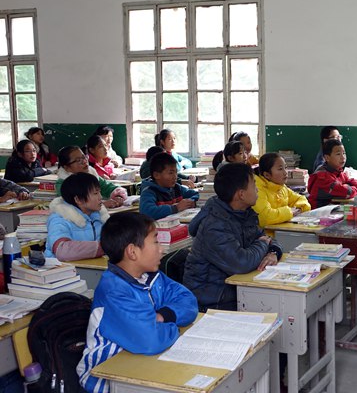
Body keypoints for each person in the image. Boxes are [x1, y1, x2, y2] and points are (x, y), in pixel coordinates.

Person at [77, 212, 198, 393]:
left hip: (145, 364)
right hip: (105, 380)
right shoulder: (114, 292)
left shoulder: (151, 277)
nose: (161, 249)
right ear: (132, 252)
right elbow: (151, 340)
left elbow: (189, 302)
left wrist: (163, 316)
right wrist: (175, 327)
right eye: (155, 242)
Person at [183, 162, 283, 312]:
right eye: (253, 184)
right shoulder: (214, 226)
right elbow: (241, 262)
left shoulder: (244, 213)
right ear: (241, 194)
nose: (257, 189)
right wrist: (263, 244)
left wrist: (273, 252)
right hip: (212, 301)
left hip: (234, 292)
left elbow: (266, 238)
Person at [44, 172, 108, 262]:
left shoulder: (99, 216)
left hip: (91, 266)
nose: (100, 197)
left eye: (99, 192)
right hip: (62, 269)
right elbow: (62, 250)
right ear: (78, 199)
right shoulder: (59, 219)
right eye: (95, 193)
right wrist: (105, 247)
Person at [55, 146, 127, 209]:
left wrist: (118, 196)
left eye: (84, 157)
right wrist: (102, 205)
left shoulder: (91, 174)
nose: (84, 161)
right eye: (78, 160)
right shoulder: (63, 184)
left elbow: (106, 187)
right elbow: (75, 205)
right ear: (66, 167)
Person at [252, 152, 311, 227]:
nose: (285, 172)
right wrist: (290, 212)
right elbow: (265, 217)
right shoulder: (257, 190)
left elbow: (301, 199)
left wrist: (298, 209)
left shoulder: (281, 187)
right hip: (265, 233)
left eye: (285, 167)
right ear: (267, 175)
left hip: (282, 230)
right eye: (280, 169)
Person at [308, 139, 357, 208]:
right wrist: (349, 185)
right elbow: (349, 192)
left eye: (344, 153)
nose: (343, 157)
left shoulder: (338, 171)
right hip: (318, 212)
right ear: (327, 158)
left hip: (331, 209)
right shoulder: (323, 177)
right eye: (338, 154)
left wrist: (349, 184)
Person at [139, 152, 199, 220]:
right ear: (156, 175)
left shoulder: (177, 188)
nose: (175, 177)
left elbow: (198, 194)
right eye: (171, 173)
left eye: (176, 172)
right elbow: (147, 212)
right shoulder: (149, 192)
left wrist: (190, 201)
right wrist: (176, 208)